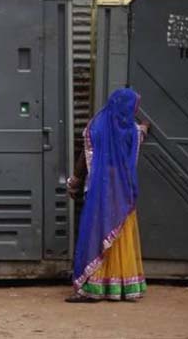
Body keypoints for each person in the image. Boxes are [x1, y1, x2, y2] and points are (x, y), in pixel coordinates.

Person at [66, 88, 150, 302]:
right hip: (123, 196)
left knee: (97, 235)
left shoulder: (95, 127)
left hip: (99, 194)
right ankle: (122, 287)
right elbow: (146, 128)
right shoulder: (132, 131)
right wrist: (143, 124)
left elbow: (83, 160)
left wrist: (74, 184)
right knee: (119, 238)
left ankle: (94, 287)